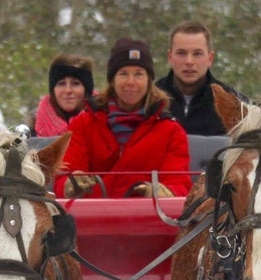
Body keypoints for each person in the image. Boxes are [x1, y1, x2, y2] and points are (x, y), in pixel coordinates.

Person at [54, 37, 192, 199]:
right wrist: (71, 185)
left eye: (139, 74)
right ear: (112, 80)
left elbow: (180, 184)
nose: (130, 82)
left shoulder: (171, 131)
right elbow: (62, 179)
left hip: (147, 219)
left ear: (149, 81)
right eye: (123, 74)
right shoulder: (83, 124)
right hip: (92, 218)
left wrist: (165, 193)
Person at [155, 20, 248, 135]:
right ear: (169, 57)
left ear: (210, 58)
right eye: (181, 53)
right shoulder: (150, 100)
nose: (189, 61)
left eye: (197, 54)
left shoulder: (234, 105)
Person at [32, 53, 95, 136]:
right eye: (61, 83)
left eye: (75, 83)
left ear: (87, 90)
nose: (68, 90)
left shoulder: (106, 123)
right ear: (53, 90)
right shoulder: (31, 135)